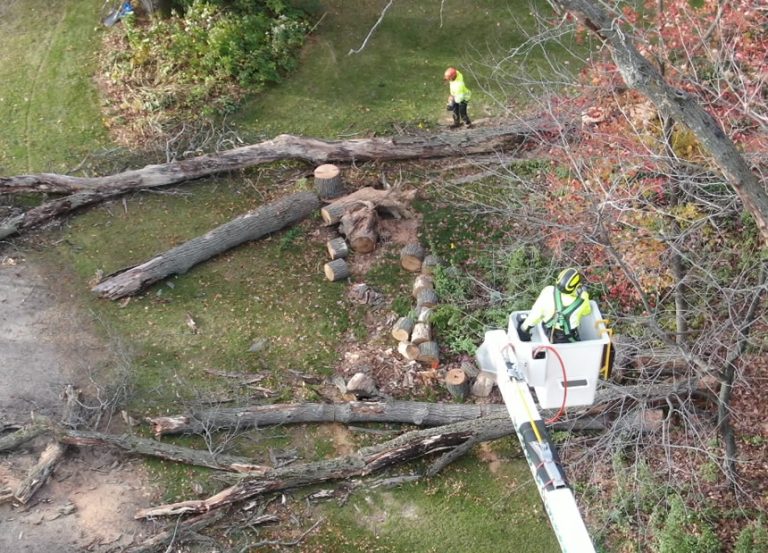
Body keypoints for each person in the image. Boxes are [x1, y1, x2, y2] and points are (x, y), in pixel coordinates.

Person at [517, 268, 592, 344]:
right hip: (568, 337)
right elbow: (587, 312)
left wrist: (524, 329)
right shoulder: (583, 299)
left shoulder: (548, 291)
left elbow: (536, 313)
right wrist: (583, 293)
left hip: (549, 331)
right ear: (577, 287)